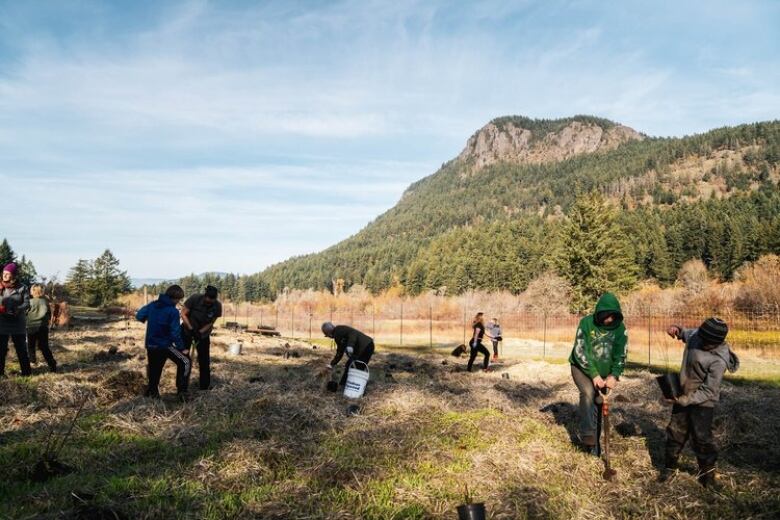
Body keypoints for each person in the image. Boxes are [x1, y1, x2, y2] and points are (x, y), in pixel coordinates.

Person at [661, 318, 739, 487]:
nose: (701, 342)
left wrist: (684, 400)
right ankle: (669, 467)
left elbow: (709, 390)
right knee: (675, 432)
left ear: (716, 342)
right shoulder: (698, 336)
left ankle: (707, 476)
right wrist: (677, 330)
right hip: (683, 394)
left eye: (706, 342)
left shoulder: (718, 361)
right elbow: (687, 333)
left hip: (703, 403)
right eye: (701, 339)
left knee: (702, 439)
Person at [569, 292, 627, 454]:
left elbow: (620, 354)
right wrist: (594, 374)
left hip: (604, 374)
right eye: (606, 316)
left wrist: (614, 375)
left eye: (612, 316)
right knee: (588, 394)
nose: (609, 320)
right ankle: (588, 437)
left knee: (599, 402)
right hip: (581, 368)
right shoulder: (586, 323)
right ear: (599, 313)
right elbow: (580, 351)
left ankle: (595, 449)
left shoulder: (620, 329)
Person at [136, 285, 190, 399]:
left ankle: (152, 394)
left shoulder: (153, 305)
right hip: (164, 345)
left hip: (150, 345)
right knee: (185, 362)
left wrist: (150, 318)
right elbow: (175, 333)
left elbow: (139, 315)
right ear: (174, 298)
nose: (178, 302)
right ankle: (182, 392)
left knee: (155, 369)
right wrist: (182, 348)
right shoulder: (173, 311)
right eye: (178, 300)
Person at [180, 285, 222, 390]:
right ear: (205, 296)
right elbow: (183, 314)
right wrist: (190, 329)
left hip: (203, 335)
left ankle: (204, 387)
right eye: (208, 299)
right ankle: (182, 387)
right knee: (184, 359)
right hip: (186, 332)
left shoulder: (217, 306)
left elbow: (211, 322)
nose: (209, 301)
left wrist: (200, 332)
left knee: (204, 361)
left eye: (212, 300)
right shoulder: (194, 298)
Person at [0, 263, 32, 377]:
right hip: (2, 323)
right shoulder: (0, 286)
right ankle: (0, 373)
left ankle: (26, 373)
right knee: (1, 350)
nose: (4, 276)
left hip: (18, 323)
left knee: (21, 349)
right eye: (3, 273)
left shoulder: (23, 287)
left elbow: (27, 304)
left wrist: (18, 309)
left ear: (13, 275)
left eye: (7, 274)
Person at [321, 322, 375, 387]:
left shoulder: (339, 331)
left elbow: (353, 333)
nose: (329, 337)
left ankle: (355, 387)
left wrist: (350, 345)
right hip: (364, 348)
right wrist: (332, 364)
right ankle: (344, 385)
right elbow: (340, 352)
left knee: (357, 367)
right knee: (349, 365)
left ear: (328, 333)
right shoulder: (338, 334)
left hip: (366, 346)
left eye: (327, 335)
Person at [26, 284, 57, 373]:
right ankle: (52, 363)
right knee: (44, 347)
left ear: (33, 291)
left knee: (31, 346)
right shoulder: (45, 302)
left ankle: (32, 362)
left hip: (31, 327)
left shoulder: (29, 302)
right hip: (43, 327)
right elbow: (49, 315)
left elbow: (24, 313)